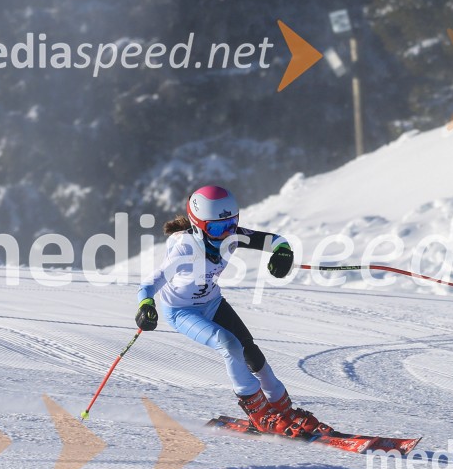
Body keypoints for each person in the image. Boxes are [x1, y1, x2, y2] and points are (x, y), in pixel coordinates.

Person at [134, 185, 332, 437]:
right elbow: (150, 283)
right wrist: (146, 305)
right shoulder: (185, 249)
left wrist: (283, 253)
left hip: (212, 302)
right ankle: (260, 415)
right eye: (217, 229)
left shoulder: (231, 236)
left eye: (231, 225)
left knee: (251, 352)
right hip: (183, 311)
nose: (226, 235)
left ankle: (283, 408)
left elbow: (275, 241)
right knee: (228, 343)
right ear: (198, 226)